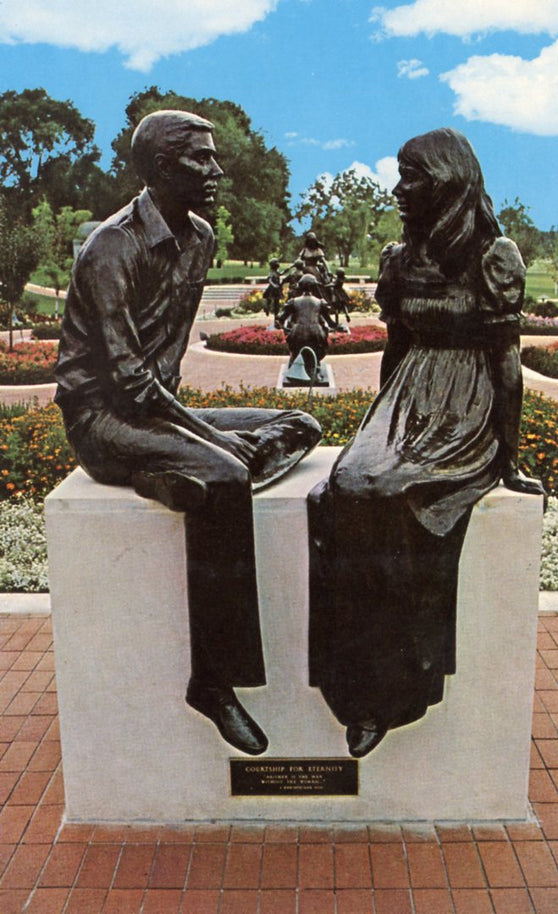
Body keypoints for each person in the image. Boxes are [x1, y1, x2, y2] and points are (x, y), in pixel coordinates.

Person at [55, 110, 321, 756]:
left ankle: (170, 471)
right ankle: (214, 683)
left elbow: (165, 365)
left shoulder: (198, 239)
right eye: (201, 159)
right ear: (159, 169)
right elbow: (126, 382)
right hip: (103, 420)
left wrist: (196, 430)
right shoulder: (109, 250)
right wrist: (213, 443)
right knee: (227, 475)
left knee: (301, 424)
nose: (217, 171)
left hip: (154, 408)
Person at [308, 127, 545, 759]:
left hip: (466, 404)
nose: (398, 189)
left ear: (445, 182)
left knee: (388, 492)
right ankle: (351, 684)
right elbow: (397, 349)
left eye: (411, 176)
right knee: (346, 485)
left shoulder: (495, 257)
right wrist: (376, 428)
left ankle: (395, 687)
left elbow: (507, 364)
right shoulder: (399, 257)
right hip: (410, 398)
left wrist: (509, 458)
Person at [280, 273, 333, 366]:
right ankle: (316, 366)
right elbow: (330, 322)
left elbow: (281, 318)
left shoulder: (293, 301)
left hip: (298, 332)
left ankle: (295, 364)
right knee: (319, 346)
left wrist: (286, 328)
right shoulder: (320, 302)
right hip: (316, 333)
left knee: (295, 350)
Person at [263, 257, 283, 325]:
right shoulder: (272, 272)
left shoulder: (276, 272)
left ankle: (276, 317)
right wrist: (274, 285)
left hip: (277, 290)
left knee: (276, 304)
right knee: (269, 300)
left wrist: (289, 268)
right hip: (272, 290)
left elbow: (281, 273)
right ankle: (266, 308)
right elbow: (269, 280)